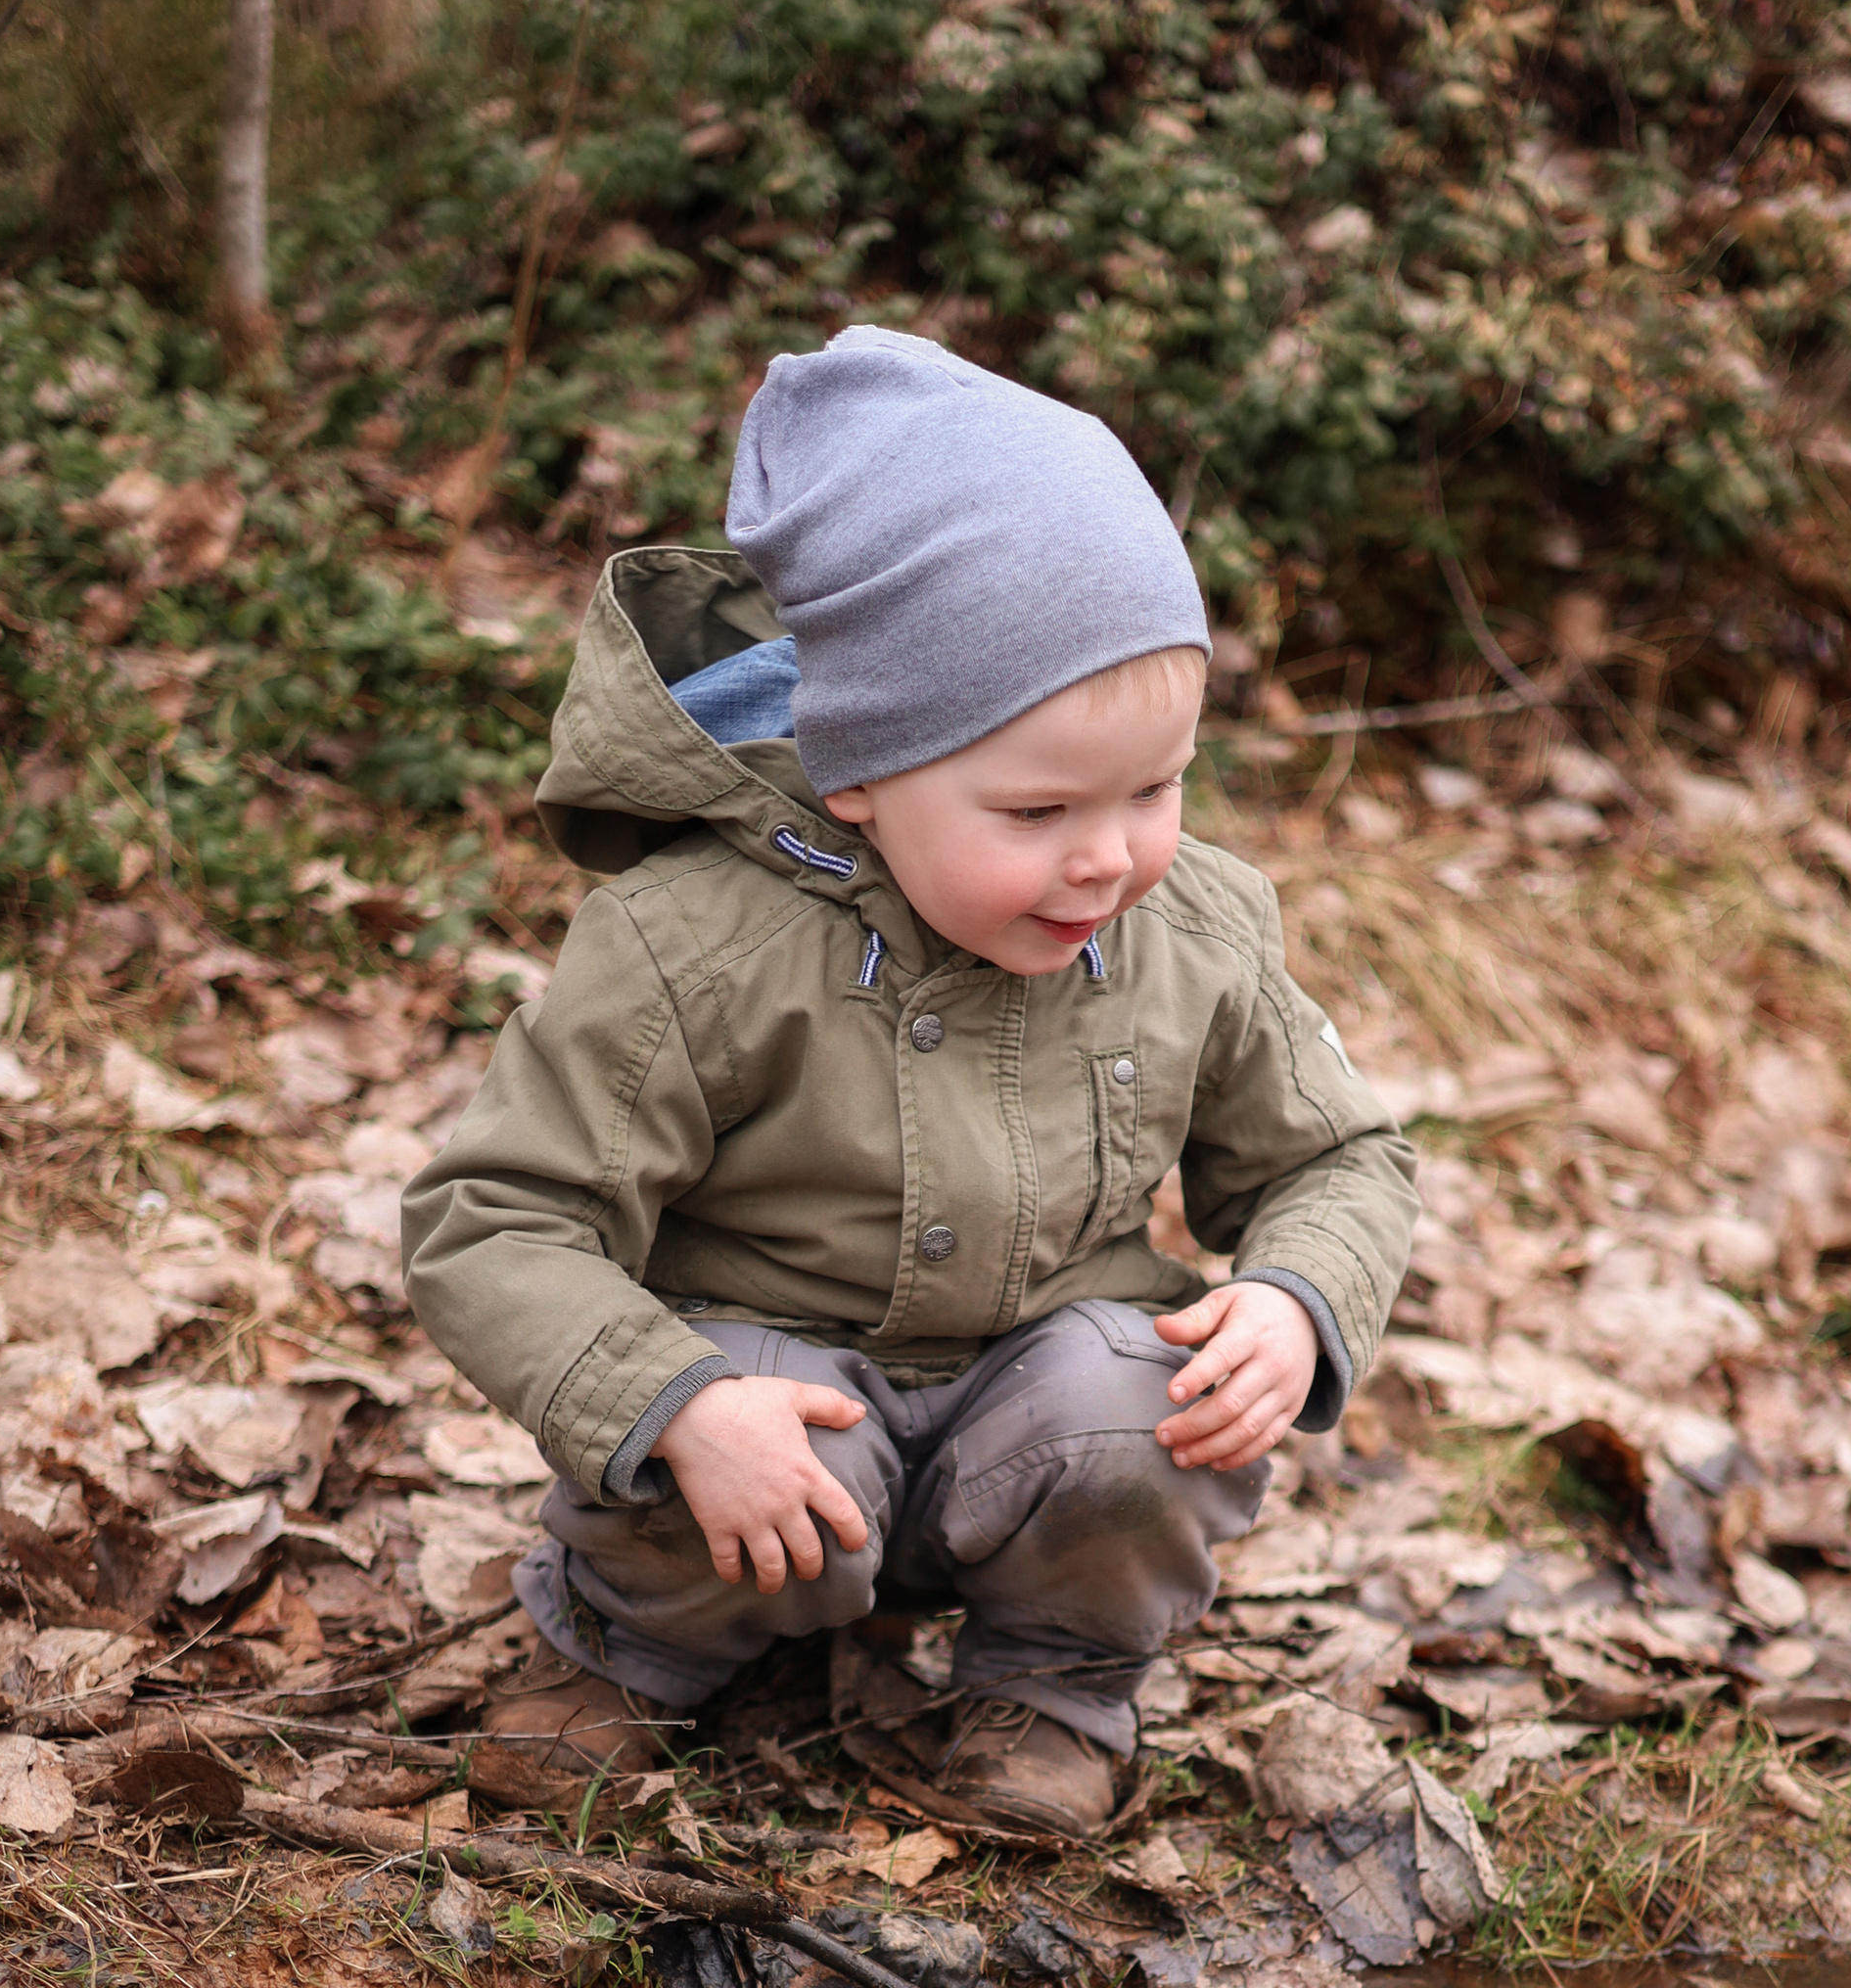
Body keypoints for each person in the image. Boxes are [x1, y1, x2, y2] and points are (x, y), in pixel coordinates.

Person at [400, 326, 1416, 1839]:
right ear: (859, 769)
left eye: (1157, 787)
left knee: (1143, 1398)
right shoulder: (695, 942)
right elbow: (494, 1219)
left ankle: (1055, 1680)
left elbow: (1341, 1161)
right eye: (1039, 807)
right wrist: (667, 1403)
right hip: (775, 1424)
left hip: (1036, 1429)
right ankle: (624, 1646)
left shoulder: (1185, 923)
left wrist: (1297, 1298)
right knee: (747, 1409)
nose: (1108, 853)